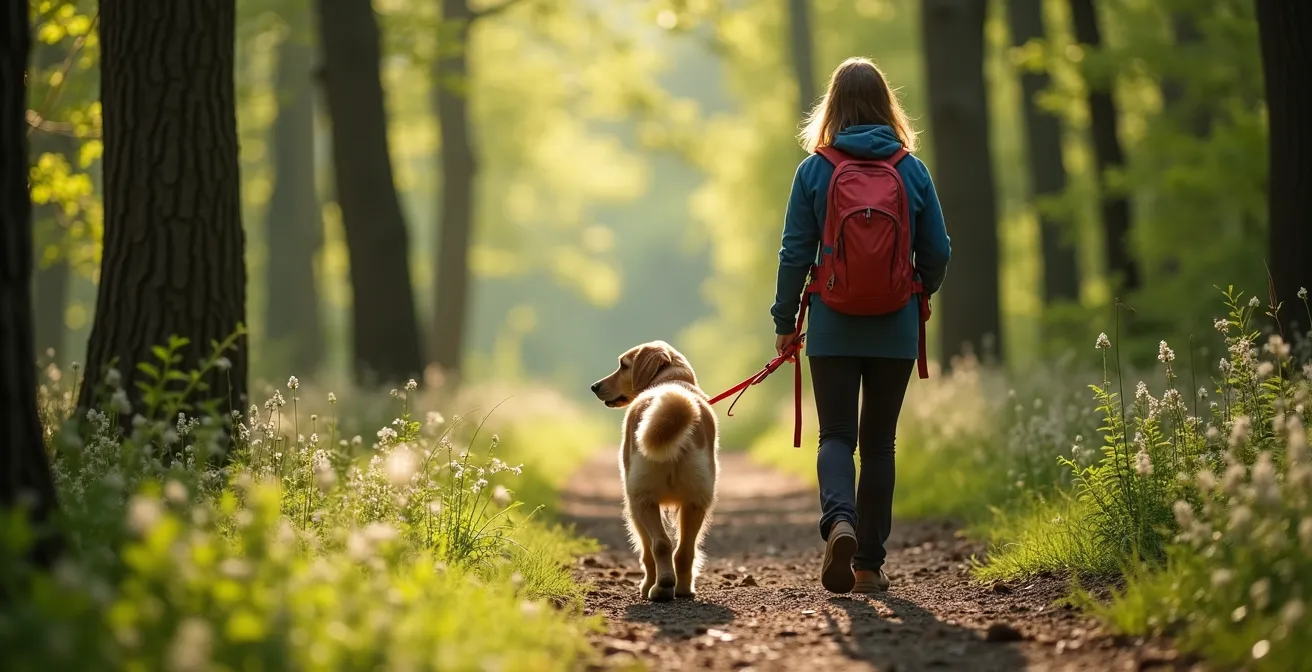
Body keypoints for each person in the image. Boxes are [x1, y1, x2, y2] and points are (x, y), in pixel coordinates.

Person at [770, 56, 951, 594]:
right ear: (885, 105)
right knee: (878, 445)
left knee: (835, 436)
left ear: (832, 106)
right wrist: (918, 289)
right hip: (895, 324)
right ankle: (869, 564)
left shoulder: (815, 170)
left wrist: (786, 320)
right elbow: (938, 250)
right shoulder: (910, 169)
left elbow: (793, 253)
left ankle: (839, 522)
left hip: (832, 321)